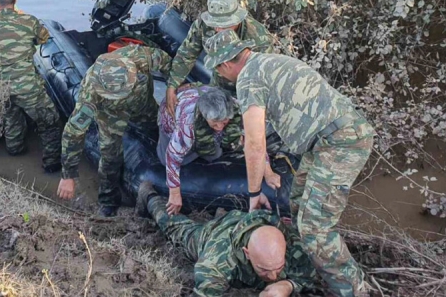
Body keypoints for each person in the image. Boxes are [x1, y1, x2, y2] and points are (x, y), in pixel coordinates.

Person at [203, 29, 376, 297]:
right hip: (326, 140)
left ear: (225, 64)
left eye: (218, 70)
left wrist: (253, 193)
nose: (221, 76)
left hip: (339, 142)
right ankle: (298, 263)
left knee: (315, 229)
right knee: (297, 199)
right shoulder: (270, 61)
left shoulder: (247, 79)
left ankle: (356, 291)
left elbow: (255, 143)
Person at [135, 181, 317, 297]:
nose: (272, 277)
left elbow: (310, 277)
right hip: (212, 235)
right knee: (177, 229)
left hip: (245, 223)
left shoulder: (293, 245)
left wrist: (287, 285)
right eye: (264, 270)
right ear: (246, 253)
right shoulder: (217, 260)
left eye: (278, 268)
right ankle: (149, 197)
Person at [57, 44, 172, 217]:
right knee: (110, 156)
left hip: (143, 104)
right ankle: (108, 201)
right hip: (111, 115)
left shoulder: (140, 56)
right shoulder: (91, 92)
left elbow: (169, 65)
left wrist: (173, 89)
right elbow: (73, 132)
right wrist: (68, 175)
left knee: (157, 132)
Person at [0, 0, 63, 172]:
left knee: (11, 116)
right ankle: (51, 163)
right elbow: (44, 38)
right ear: (15, 2)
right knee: (50, 121)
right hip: (27, 85)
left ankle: (15, 149)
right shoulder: (29, 21)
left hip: (1, 84)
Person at [157, 86, 280, 215]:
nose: (220, 127)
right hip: (171, 118)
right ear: (205, 117)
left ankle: (205, 144)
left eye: (224, 122)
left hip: (202, 112)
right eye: (215, 123)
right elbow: (172, 157)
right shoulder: (187, 123)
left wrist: (268, 171)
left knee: (215, 154)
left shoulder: (236, 107)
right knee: (170, 159)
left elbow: (254, 142)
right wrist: (174, 193)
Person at [165, 0, 277, 117]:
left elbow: (264, 81)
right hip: (218, 85)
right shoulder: (204, 25)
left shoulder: (258, 37)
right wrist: (172, 85)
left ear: (237, 20)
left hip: (248, 92)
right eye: (215, 24)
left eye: (224, 26)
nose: (218, 29)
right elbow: (187, 53)